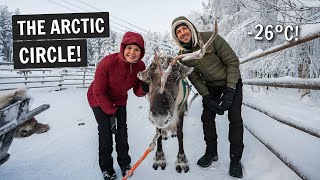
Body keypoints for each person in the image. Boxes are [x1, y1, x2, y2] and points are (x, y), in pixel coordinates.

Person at [171, 16, 244, 178]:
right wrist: (207, 96)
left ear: (191, 28)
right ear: (176, 37)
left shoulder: (211, 38)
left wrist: (230, 90)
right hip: (211, 87)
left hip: (231, 82)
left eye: (184, 28)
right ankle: (211, 152)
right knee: (207, 118)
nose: (183, 33)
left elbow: (232, 61)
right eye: (178, 32)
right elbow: (194, 77)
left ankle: (235, 159)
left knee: (235, 119)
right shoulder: (182, 55)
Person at [87, 31, 149, 180]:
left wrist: (145, 88)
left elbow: (137, 91)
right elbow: (98, 91)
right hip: (98, 98)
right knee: (106, 133)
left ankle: (124, 164)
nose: (132, 52)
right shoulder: (108, 62)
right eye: (129, 48)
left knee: (122, 133)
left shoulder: (140, 66)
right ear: (123, 48)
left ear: (141, 52)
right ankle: (107, 168)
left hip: (119, 99)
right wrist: (110, 111)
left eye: (137, 49)